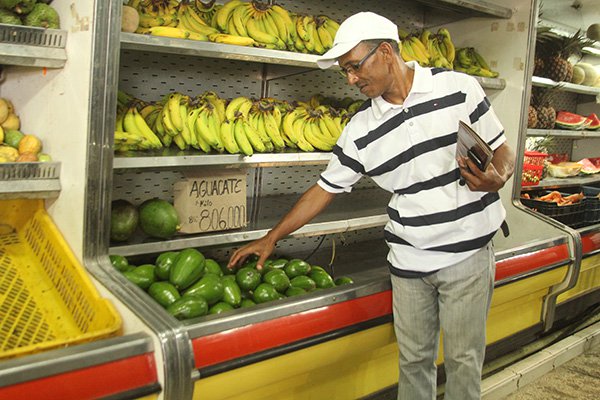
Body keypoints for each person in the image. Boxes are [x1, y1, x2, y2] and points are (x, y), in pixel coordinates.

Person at [228, 11, 515, 400]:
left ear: (385, 52)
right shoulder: (360, 129)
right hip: (408, 261)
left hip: (466, 254)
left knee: (464, 360)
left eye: (353, 67)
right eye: (343, 72)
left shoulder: (458, 88)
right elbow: (324, 189)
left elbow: (502, 151)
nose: (350, 79)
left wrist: (499, 177)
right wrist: (271, 238)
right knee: (414, 362)